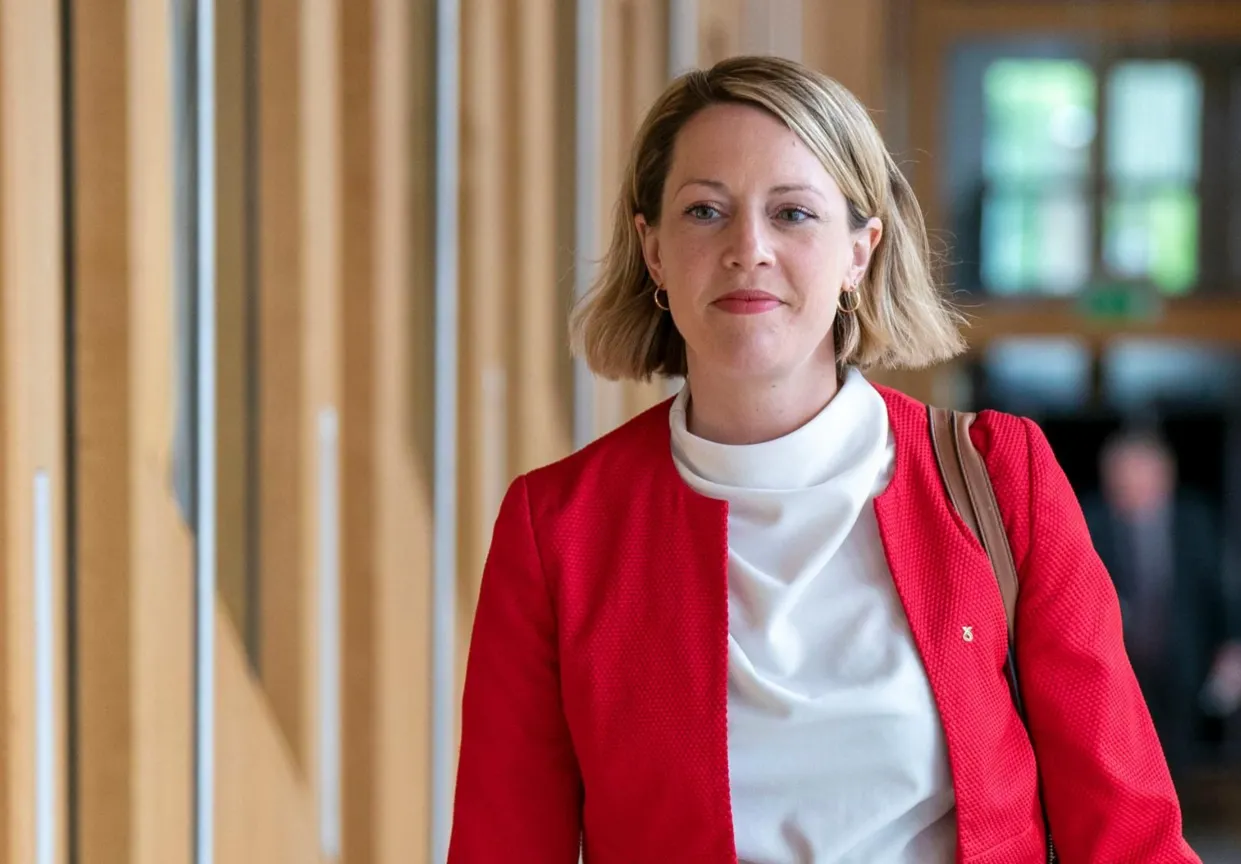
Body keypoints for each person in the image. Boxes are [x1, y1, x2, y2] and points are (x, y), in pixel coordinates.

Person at [448, 56, 1198, 863]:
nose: (749, 249)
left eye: (793, 214)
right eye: (705, 211)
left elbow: (1130, 838)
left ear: (860, 252)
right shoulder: (558, 529)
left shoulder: (998, 477)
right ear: (653, 249)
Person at [1082, 428, 1241, 779]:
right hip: (1114, 661)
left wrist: (1238, 643)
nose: (1128, 487)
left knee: (1175, 758)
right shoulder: (1088, 520)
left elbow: (1226, 589)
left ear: (1164, 476)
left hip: (1181, 657)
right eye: (1119, 477)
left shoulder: (1195, 521)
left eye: (1138, 475)